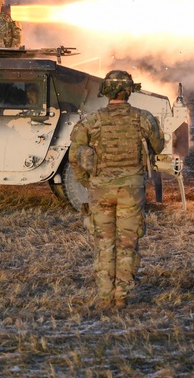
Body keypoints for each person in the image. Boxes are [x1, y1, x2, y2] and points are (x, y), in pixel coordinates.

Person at [69, 70, 164, 309]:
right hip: (131, 190)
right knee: (127, 244)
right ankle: (121, 297)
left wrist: (86, 181)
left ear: (105, 92)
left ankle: (104, 296)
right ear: (129, 91)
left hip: (100, 190)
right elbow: (158, 146)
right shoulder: (143, 118)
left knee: (104, 243)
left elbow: (75, 156)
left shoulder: (91, 121)